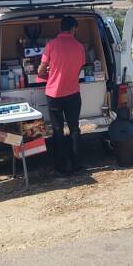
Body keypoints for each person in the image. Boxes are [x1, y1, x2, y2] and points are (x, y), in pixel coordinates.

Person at [38, 16, 85, 175]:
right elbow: (79, 69)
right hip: (73, 93)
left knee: (57, 130)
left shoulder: (51, 45)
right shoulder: (79, 47)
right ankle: (77, 164)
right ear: (73, 29)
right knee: (74, 128)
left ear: (61, 28)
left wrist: (48, 74)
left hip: (54, 94)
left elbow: (41, 70)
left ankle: (60, 167)